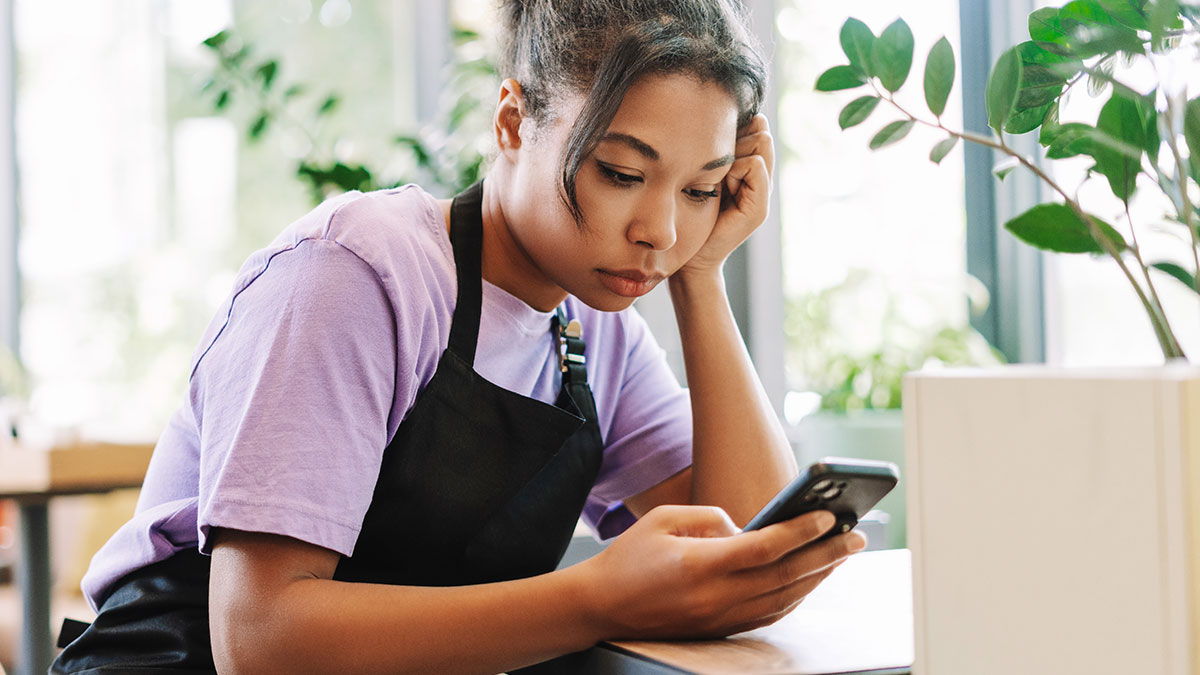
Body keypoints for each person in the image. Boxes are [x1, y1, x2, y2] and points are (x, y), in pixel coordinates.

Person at [53, 0, 867, 672]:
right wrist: (598, 595)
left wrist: (701, 274)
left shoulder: (591, 330)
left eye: (700, 188)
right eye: (622, 173)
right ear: (512, 120)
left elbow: (745, 547)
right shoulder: (356, 273)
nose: (658, 228)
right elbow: (260, 640)